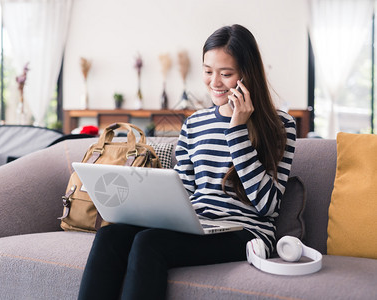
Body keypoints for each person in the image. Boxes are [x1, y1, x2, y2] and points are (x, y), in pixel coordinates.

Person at [78, 24, 296, 300]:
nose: (214, 82)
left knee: (150, 244)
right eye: (207, 71)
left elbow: (267, 205)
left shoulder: (281, 125)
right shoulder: (194, 124)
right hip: (199, 225)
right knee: (111, 236)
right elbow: (184, 193)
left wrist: (237, 130)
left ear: (247, 74)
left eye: (226, 73)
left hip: (247, 232)